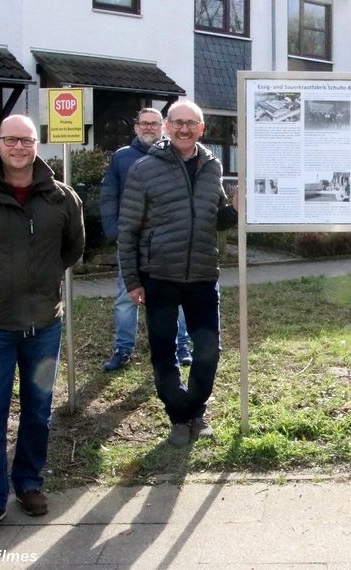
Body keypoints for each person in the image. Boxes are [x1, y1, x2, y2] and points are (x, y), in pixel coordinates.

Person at [0, 115, 85, 537]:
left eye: (26, 140)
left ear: (37, 144)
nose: (19, 148)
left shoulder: (63, 199)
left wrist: (38, 285)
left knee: (38, 412)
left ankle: (28, 483)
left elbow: (72, 251)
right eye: (11, 140)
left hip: (44, 324)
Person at [118, 99, 238, 447]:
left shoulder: (211, 166)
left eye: (192, 123)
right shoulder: (143, 168)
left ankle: (196, 411)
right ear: (167, 127)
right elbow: (128, 230)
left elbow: (217, 219)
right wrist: (133, 280)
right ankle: (177, 415)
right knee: (163, 349)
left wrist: (236, 207)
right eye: (178, 122)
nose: (184, 128)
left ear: (202, 129)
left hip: (202, 274)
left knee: (207, 349)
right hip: (160, 276)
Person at [100, 108, 192, 371]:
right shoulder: (122, 158)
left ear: (162, 127)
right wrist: (115, 231)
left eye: (154, 124)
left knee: (177, 295)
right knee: (125, 296)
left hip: (165, 243)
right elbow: (109, 196)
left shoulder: (174, 154)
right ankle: (123, 348)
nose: (149, 128)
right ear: (136, 128)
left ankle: (181, 344)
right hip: (131, 242)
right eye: (144, 124)